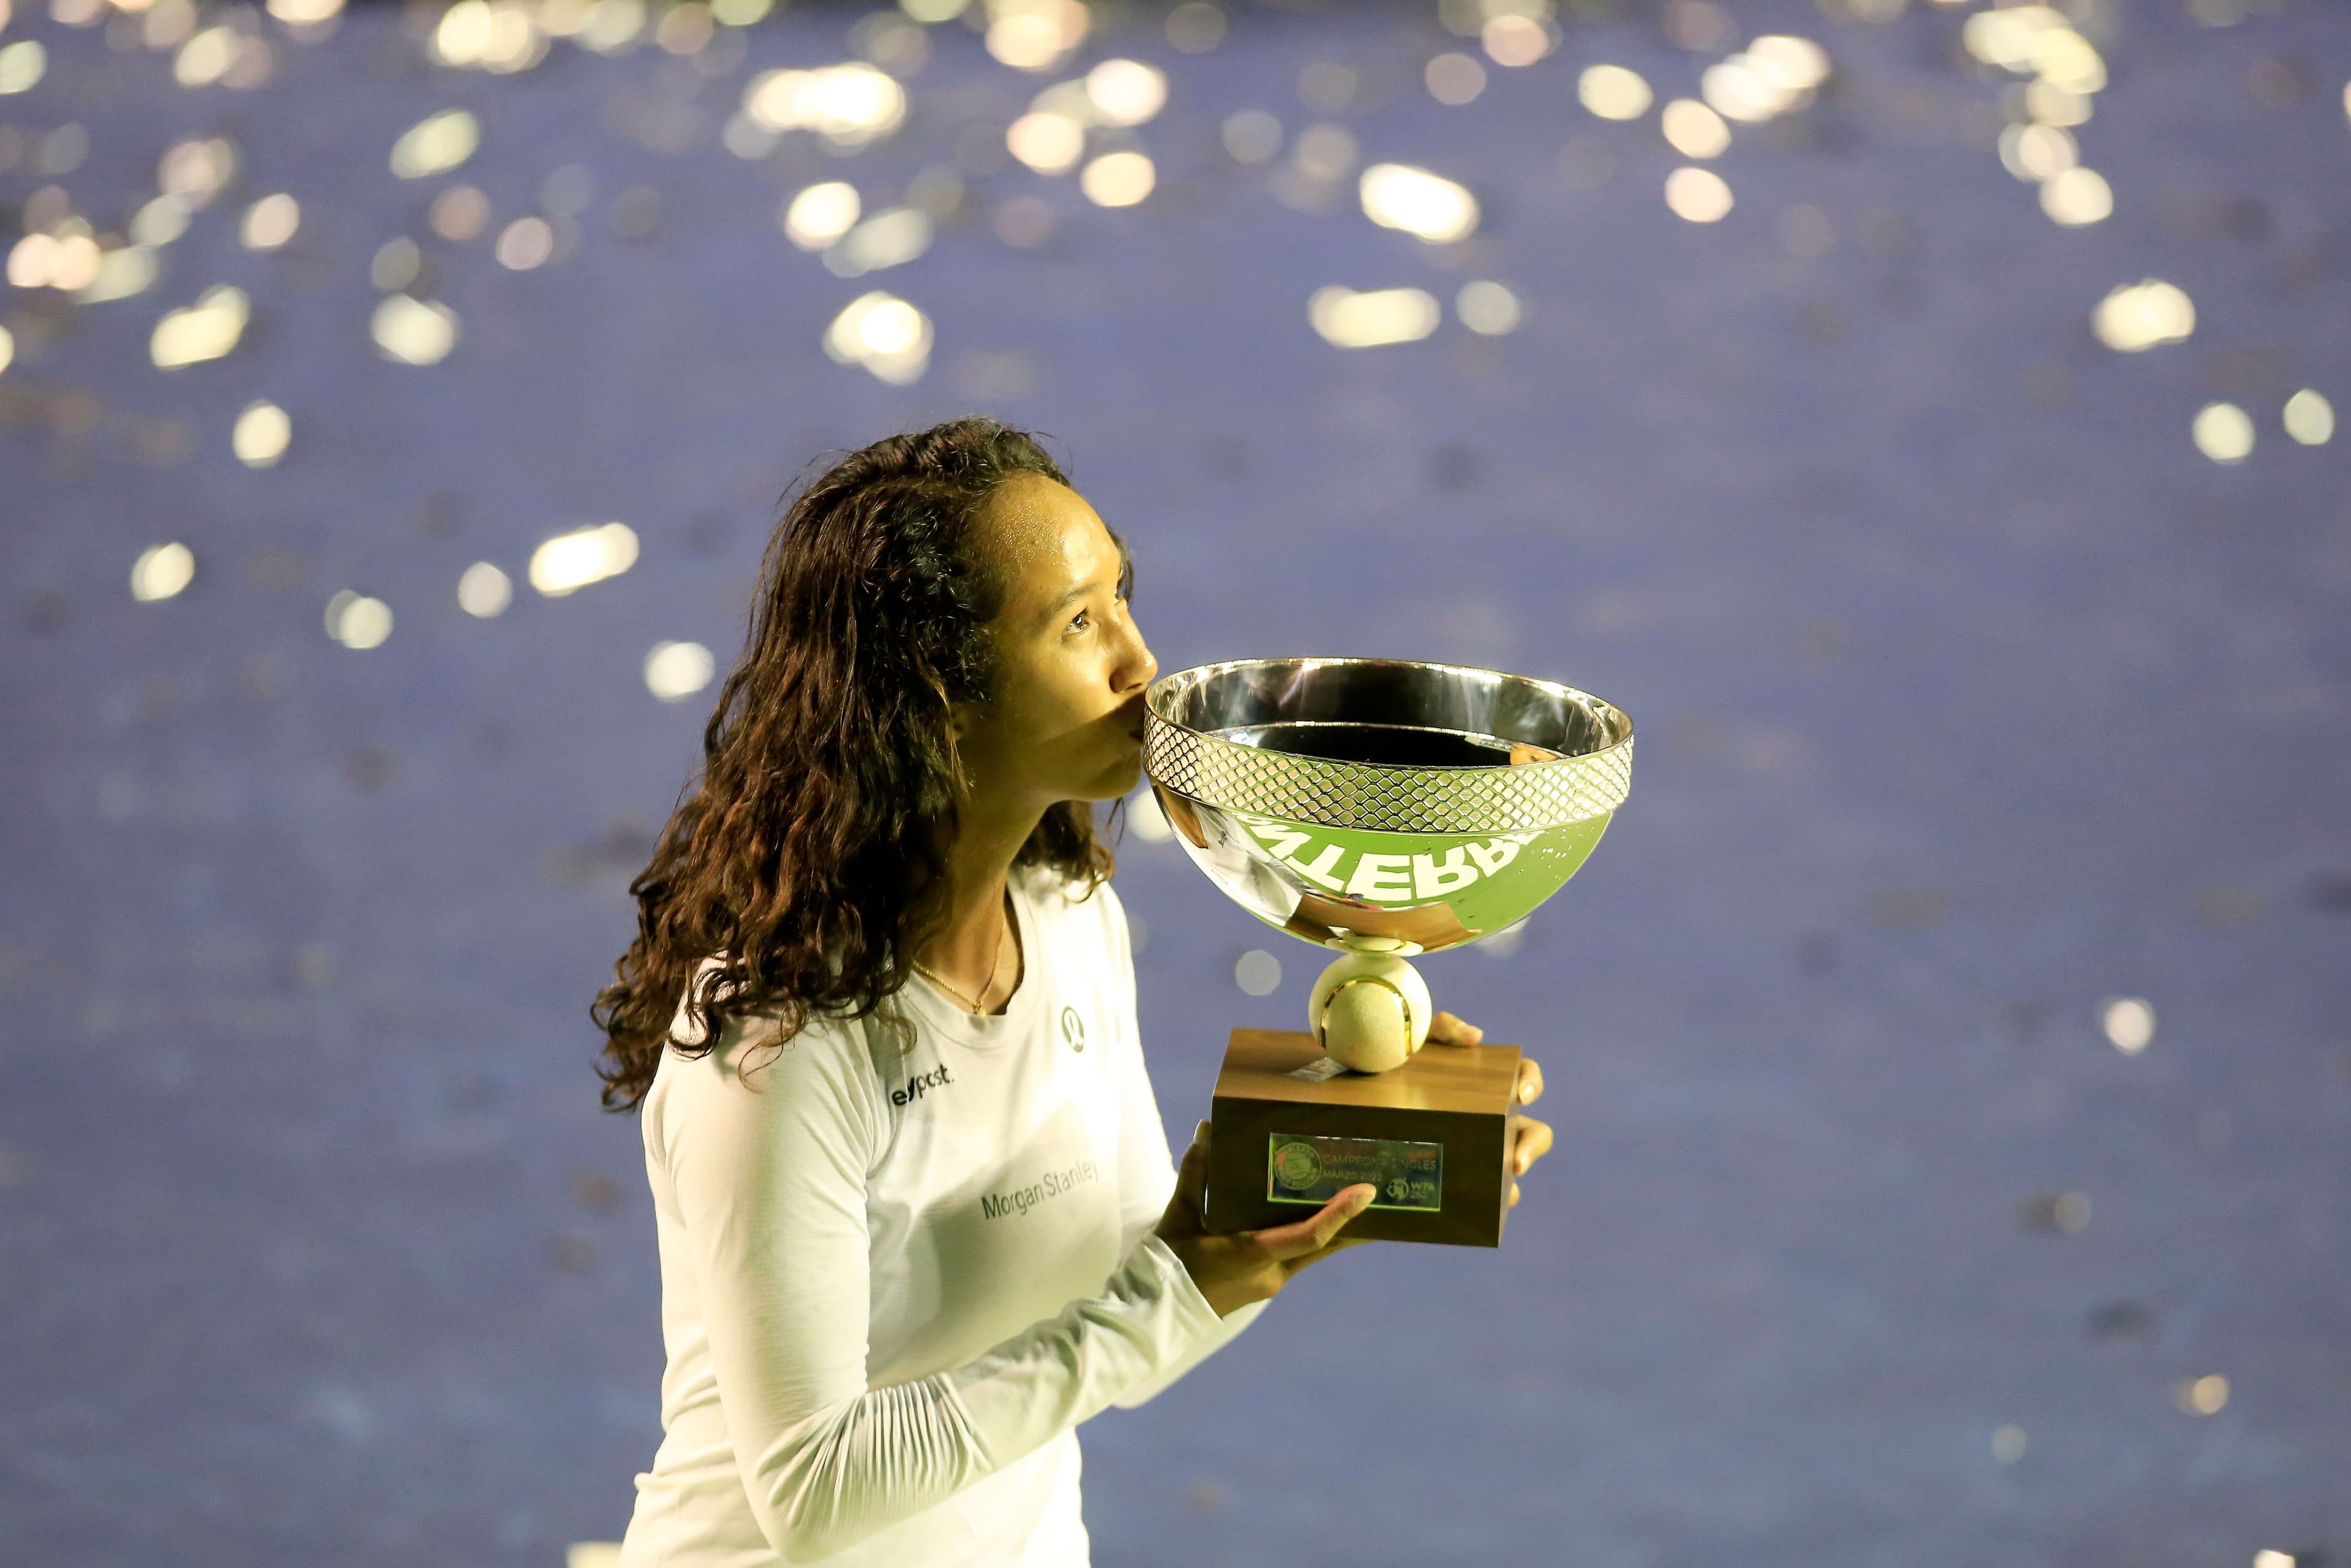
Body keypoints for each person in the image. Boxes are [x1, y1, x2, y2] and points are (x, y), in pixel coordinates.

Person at [590, 418, 1554, 1566]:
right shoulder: (778, 1049)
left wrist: (1333, 1153)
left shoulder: (1072, 916)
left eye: (1122, 598)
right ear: (939, 694)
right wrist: (1174, 1293)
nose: (1142, 664)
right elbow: (813, 1490)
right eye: (1079, 623)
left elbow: (1128, 1290)